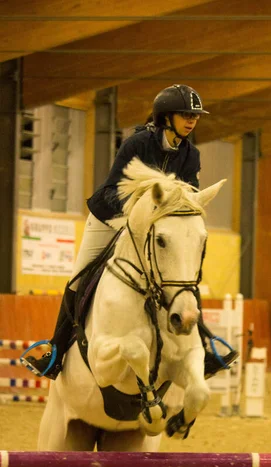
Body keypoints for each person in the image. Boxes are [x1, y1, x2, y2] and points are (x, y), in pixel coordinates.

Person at [21, 84, 238, 380]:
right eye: (185, 114)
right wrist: (138, 210)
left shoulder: (192, 155)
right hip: (111, 215)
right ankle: (54, 351)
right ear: (166, 117)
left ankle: (204, 345)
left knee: (181, 275)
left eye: (195, 116)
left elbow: (187, 198)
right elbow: (113, 189)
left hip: (157, 228)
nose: (191, 120)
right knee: (80, 277)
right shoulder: (137, 144)